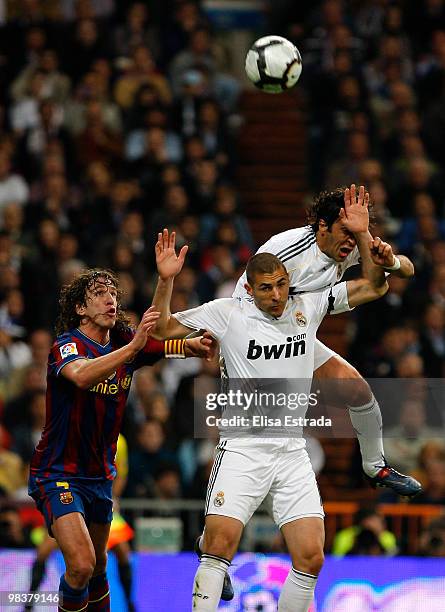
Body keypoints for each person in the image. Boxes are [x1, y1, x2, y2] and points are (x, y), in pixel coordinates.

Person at [151, 224, 418, 611]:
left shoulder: (306, 305)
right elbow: (161, 328)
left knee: (311, 557)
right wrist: (165, 280)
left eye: (280, 285)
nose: (275, 295)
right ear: (248, 289)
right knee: (218, 549)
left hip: (292, 452)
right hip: (242, 449)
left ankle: (374, 465)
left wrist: (378, 256)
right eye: (265, 288)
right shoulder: (226, 314)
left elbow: (374, 288)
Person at [27, 268, 215, 612]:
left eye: (113, 292)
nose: (110, 298)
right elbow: (81, 375)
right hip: (58, 473)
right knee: (81, 565)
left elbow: (163, 343)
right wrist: (133, 349)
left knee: (98, 567)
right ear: (81, 309)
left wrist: (193, 344)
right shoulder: (67, 344)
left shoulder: (123, 341)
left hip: (100, 477)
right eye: (99, 293)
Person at [233, 184, 421, 498]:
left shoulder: (351, 243)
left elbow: (401, 274)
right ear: (322, 226)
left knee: (358, 391)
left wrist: (388, 259)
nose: (351, 241)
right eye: (346, 231)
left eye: (357, 233)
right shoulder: (286, 251)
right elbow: (242, 304)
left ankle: (375, 466)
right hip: (258, 344)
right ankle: (217, 524)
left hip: (297, 334)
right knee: (260, 449)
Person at [24, 434, 136, 612]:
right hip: (69, 496)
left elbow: (121, 474)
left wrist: (113, 496)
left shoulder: (119, 440)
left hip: (100, 496)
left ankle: (130, 603)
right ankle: (28, 603)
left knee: (122, 551)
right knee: (44, 551)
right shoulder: (65, 430)